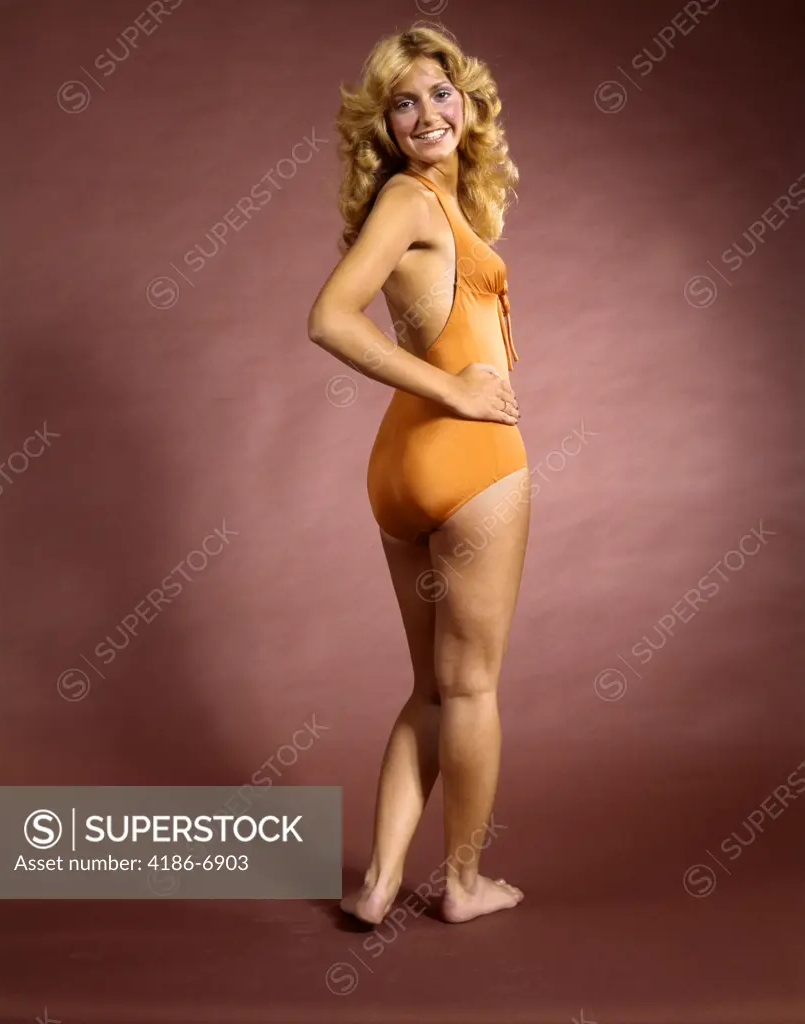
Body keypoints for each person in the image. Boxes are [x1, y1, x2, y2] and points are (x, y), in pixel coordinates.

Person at [307, 24, 530, 925]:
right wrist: (455, 391)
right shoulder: (408, 200)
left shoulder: (437, 205)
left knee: (431, 689)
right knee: (470, 688)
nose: (425, 112)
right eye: (404, 102)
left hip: (399, 468)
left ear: (469, 104)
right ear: (385, 126)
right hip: (466, 459)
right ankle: (465, 886)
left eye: (439, 92)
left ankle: (378, 883)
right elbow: (329, 318)